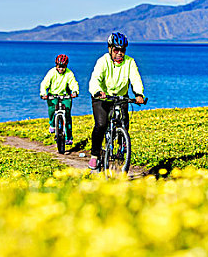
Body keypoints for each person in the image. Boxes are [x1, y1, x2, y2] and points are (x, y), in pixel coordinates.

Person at [88, 32, 145, 169]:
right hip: (101, 97)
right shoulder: (103, 61)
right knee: (101, 125)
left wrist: (139, 94)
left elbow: (135, 79)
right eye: (116, 50)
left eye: (122, 50)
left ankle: (122, 144)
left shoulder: (130, 62)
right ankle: (95, 155)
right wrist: (97, 91)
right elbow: (95, 79)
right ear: (110, 49)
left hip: (120, 96)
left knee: (124, 120)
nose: (120, 53)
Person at [40, 54, 79, 145]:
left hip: (65, 95)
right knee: (52, 109)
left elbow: (73, 83)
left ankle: (69, 137)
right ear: (56, 65)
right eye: (59, 66)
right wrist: (43, 93)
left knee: (67, 115)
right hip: (53, 95)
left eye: (63, 67)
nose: (61, 69)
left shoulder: (69, 73)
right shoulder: (51, 73)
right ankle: (52, 124)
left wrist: (75, 91)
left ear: (66, 66)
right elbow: (44, 84)